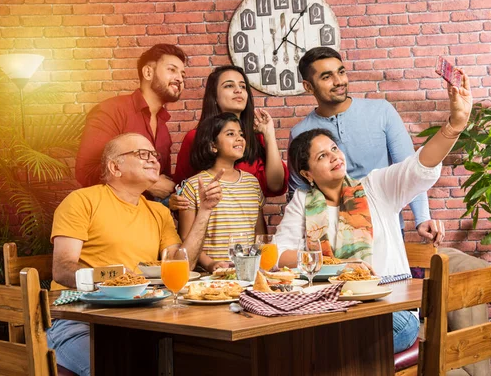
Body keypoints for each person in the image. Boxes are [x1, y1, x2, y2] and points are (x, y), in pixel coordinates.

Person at [274, 69, 472, 354]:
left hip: (393, 310)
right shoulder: (302, 203)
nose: (334, 157)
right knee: (306, 340)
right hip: (333, 308)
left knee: (323, 345)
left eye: (333, 149)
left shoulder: (375, 186)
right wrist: (338, 267)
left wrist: (454, 126)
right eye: (322, 156)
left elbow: (418, 167)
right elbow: (279, 255)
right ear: (307, 173)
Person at [48, 132, 222, 376]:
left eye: (154, 155)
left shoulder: (158, 212)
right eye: (142, 154)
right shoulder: (82, 201)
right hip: (81, 321)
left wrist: (204, 210)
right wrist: (117, 281)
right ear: (114, 167)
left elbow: (181, 265)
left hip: (143, 321)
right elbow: (63, 268)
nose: (153, 160)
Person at [290, 47, 442, 241]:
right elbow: (299, 190)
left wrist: (422, 218)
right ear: (308, 86)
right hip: (332, 236)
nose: (339, 81)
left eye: (341, 72)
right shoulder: (299, 133)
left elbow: (411, 169)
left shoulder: (381, 111)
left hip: (386, 229)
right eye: (327, 77)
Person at [75, 43, 187, 201]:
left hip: (150, 218)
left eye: (183, 74)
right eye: (172, 70)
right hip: (114, 218)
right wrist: (148, 183)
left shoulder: (163, 128)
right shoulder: (111, 111)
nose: (179, 79)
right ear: (148, 72)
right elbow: (86, 171)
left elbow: (162, 182)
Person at [171, 65, 288, 210]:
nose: (238, 90)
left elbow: (276, 185)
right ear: (214, 97)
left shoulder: (257, 137)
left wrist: (269, 134)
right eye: (229, 85)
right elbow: (181, 192)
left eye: (243, 86)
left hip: (249, 225)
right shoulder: (195, 137)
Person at [178, 112, 266, 272]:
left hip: (247, 273)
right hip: (209, 276)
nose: (240, 138)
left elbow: (259, 233)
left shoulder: (252, 183)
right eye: (230, 134)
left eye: (241, 134)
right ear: (213, 145)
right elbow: (185, 237)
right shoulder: (194, 185)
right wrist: (210, 264)